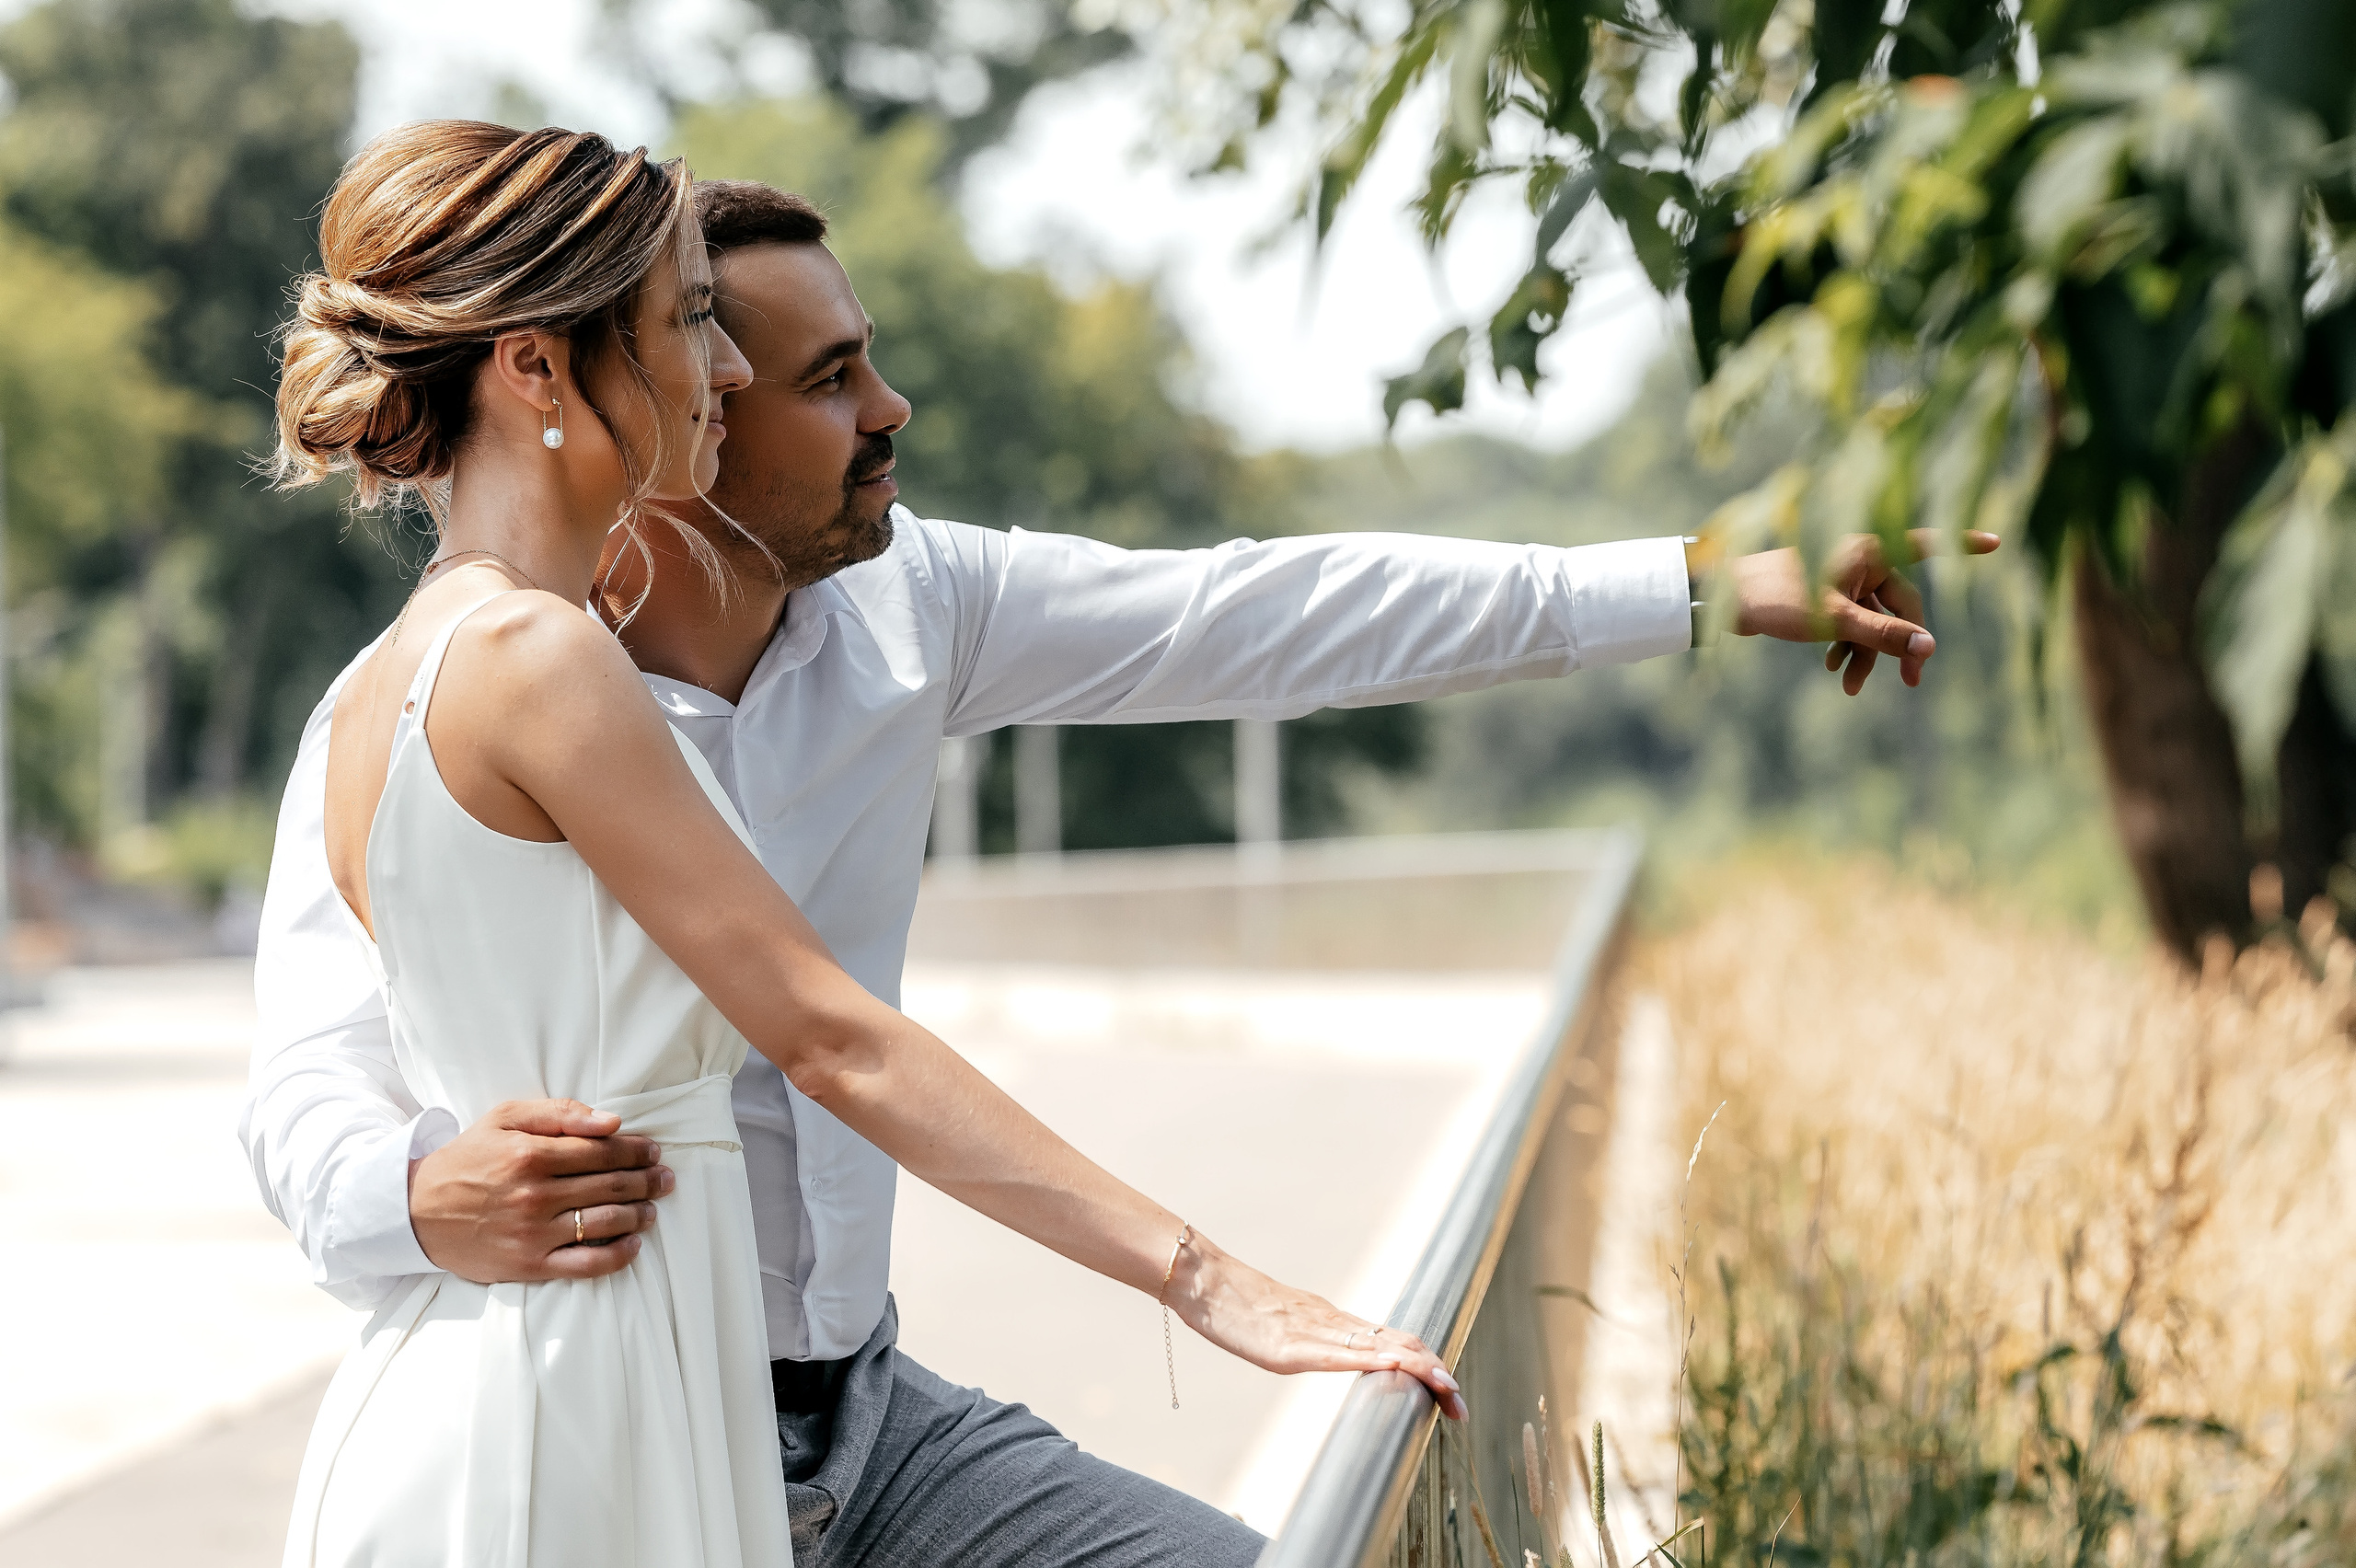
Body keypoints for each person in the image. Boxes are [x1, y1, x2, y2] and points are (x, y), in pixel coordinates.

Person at [246, 157, 1993, 1564]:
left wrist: (1698, 586)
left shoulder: (916, 599)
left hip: (859, 1428)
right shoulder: (441, 692)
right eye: (806, 369)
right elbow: (316, 1087)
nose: (890, 406)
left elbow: (1265, 610)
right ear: (610, 381)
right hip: (599, 1420)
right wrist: (416, 1194)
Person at [262, 121, 1466, 1568]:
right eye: (686, 323)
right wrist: (1208, 1285)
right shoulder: (540, 656)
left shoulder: (390, 682)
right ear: (537, 369)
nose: (719, 369)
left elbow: (1261, 614)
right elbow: (833, 1038)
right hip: (586, 1424)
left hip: (518, 1396)